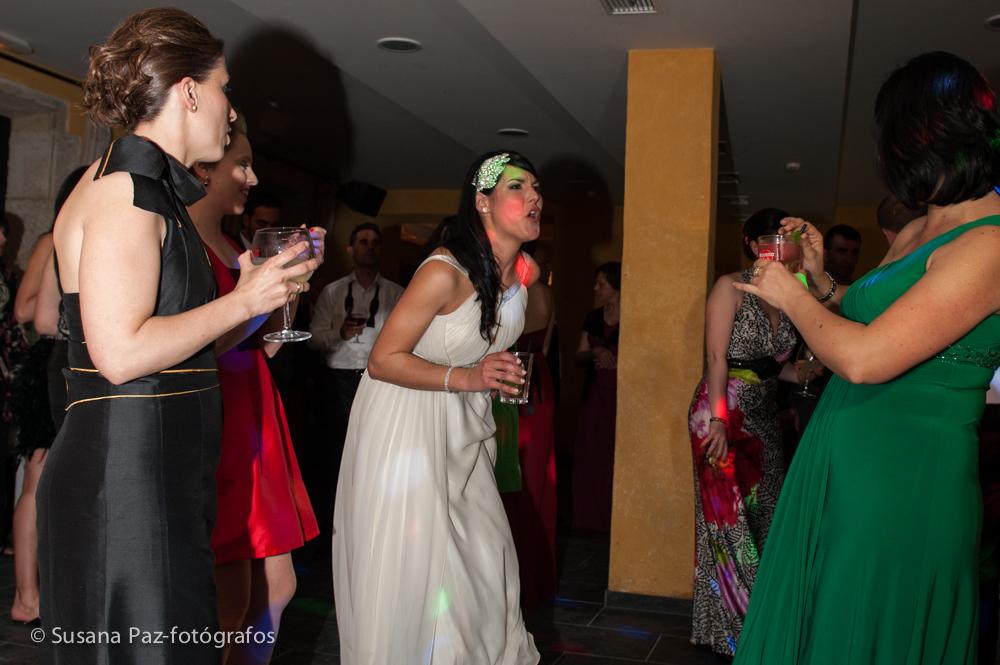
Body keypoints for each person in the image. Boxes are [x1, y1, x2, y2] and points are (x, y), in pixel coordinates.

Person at [34, 9, 316, 664]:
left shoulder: (151, 193)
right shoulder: (124, 191)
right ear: (189, 91)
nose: (230, 106)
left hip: (155, 474)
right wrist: (242, 299)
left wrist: (250, 306)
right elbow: (122, 354)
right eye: (225, 87)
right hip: (124, 483)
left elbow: (176, 350)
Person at [733, 51, 1000, 665]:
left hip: (904, 476)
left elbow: (866, 357)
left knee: (869, 625)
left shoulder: (988, 243)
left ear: (933, 137)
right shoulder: (920, 227)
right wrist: (822, 281)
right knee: (826, 615)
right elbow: (867, 312)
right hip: (843, 451)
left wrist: (790, 296)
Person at [333, 150, 542, 663]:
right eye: (517, 187)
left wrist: (493, 374)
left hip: (464, 425)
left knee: (484, 558)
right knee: (420, 570)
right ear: (483, 203)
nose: (535, 196)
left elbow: (487, 339)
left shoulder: (525, 271)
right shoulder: (444, 271)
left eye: (537, 187)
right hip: (405, 422)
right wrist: (470, 375)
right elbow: (382, 360)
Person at [188, 114, 321, 665]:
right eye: (240, 165)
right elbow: (197, 347)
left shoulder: (228, 243)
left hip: (255, 411)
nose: (251, 178)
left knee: (280, 585)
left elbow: (253, 347)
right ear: (204, 169)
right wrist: (258, 302)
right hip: (218, 420)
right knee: (230, 597)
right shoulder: (181, 240)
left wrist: (284, 296)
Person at [688, 208, 802, 656]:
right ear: (755, 245)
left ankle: (762, 622)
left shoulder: (793, 293)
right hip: (719, 415)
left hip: (763, 415)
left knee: (765, 516)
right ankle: (735, 632)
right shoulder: (730, 286)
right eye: (777, 238)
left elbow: (780, 367)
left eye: (790, 239)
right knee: (729, 523)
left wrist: (815, 369)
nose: (785, 247)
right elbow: (717, 358)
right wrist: (717, 420)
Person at [7, 165, 86, 624]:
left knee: (49, 485)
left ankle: (38, 594)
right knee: (40, 485)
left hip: (67, 363)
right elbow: (30, 314)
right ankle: (27, 596)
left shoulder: (65, 237)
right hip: (59, 362)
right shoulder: (55, 238)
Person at [309, 223, 403, 489]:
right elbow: (313, 340)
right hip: (337, 382)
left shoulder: (396, 294)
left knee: (375, 449)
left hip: (378, 381)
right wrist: (339, 333)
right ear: (351, 249)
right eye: (363, 241)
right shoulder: (333, 291)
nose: (369, 247)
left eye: (375, 243)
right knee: (334, 451)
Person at [503, 239, 558, 608]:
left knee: (517, 477)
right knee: (533, 478)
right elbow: (548, 343)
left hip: (519, 385)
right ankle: (533, 574)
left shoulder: (518, 292)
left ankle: (517, 576)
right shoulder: (545, 294)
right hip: (539, 381)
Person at [571, 261, 622, 533]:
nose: (596, 288)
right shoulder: (592, 317)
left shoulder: (634, 316)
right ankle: (589, 521)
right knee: (591, 454)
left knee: (615, 455)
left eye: (601, 283)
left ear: (616, 285)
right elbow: (579, 355)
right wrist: (595, 353)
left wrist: (618, 359)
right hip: (594, 395)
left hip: (622, 397)